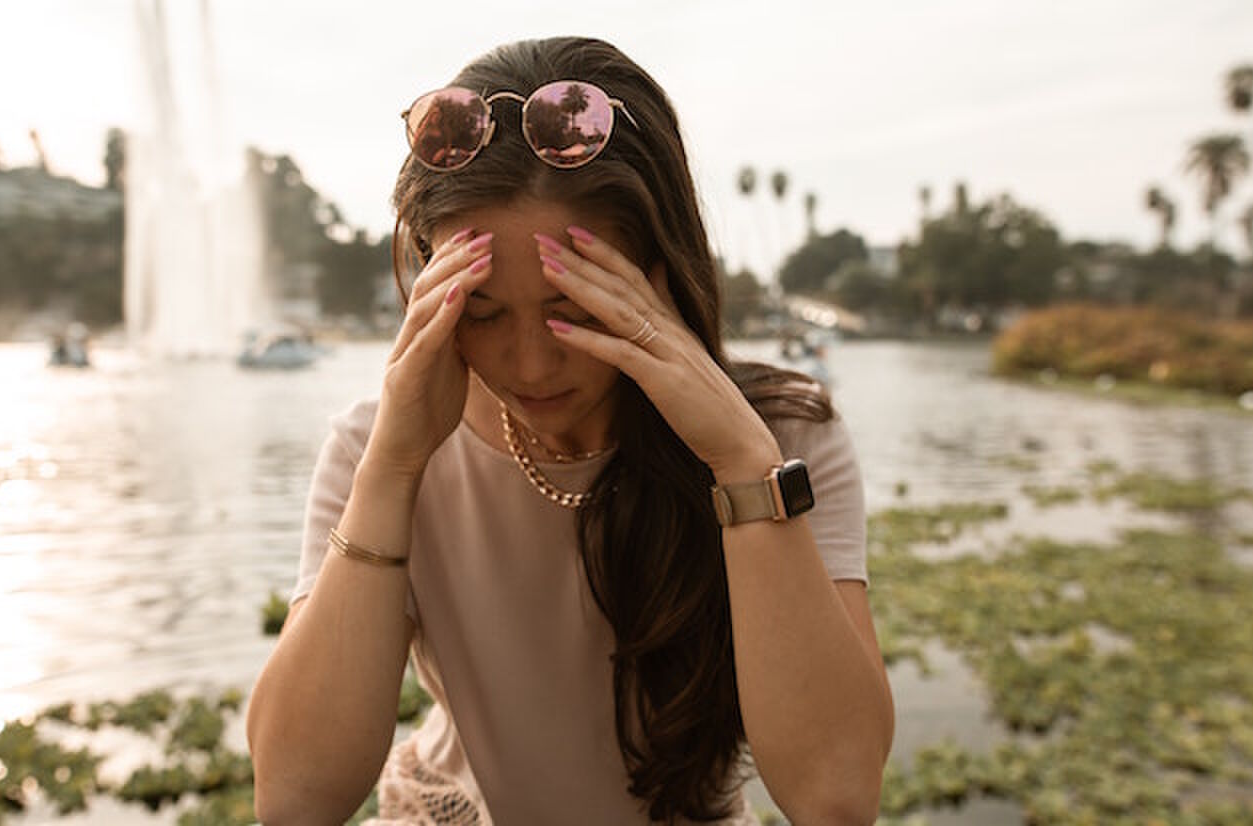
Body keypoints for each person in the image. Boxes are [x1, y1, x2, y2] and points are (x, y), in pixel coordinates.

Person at [247, 37, 893, 826]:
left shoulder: (782, 437)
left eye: (575, 311)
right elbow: (293, 799)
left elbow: (837, 798)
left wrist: (739, 461)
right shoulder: (375, 449)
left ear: (661, 271)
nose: (530, 365)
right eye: (480, 313)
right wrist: (393, 466)